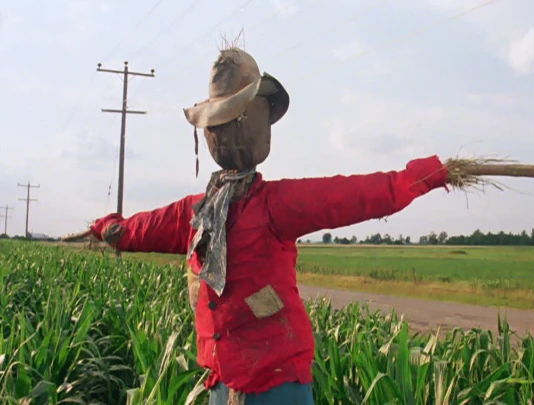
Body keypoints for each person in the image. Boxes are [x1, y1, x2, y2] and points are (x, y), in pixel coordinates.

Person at [85, 45, 454, 404]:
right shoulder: (198, 212)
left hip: (276, 383)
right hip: (222, 379)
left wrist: (422, 177)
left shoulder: (273, 206)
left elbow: (355, 195)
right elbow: (142, 228)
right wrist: (109, 228)